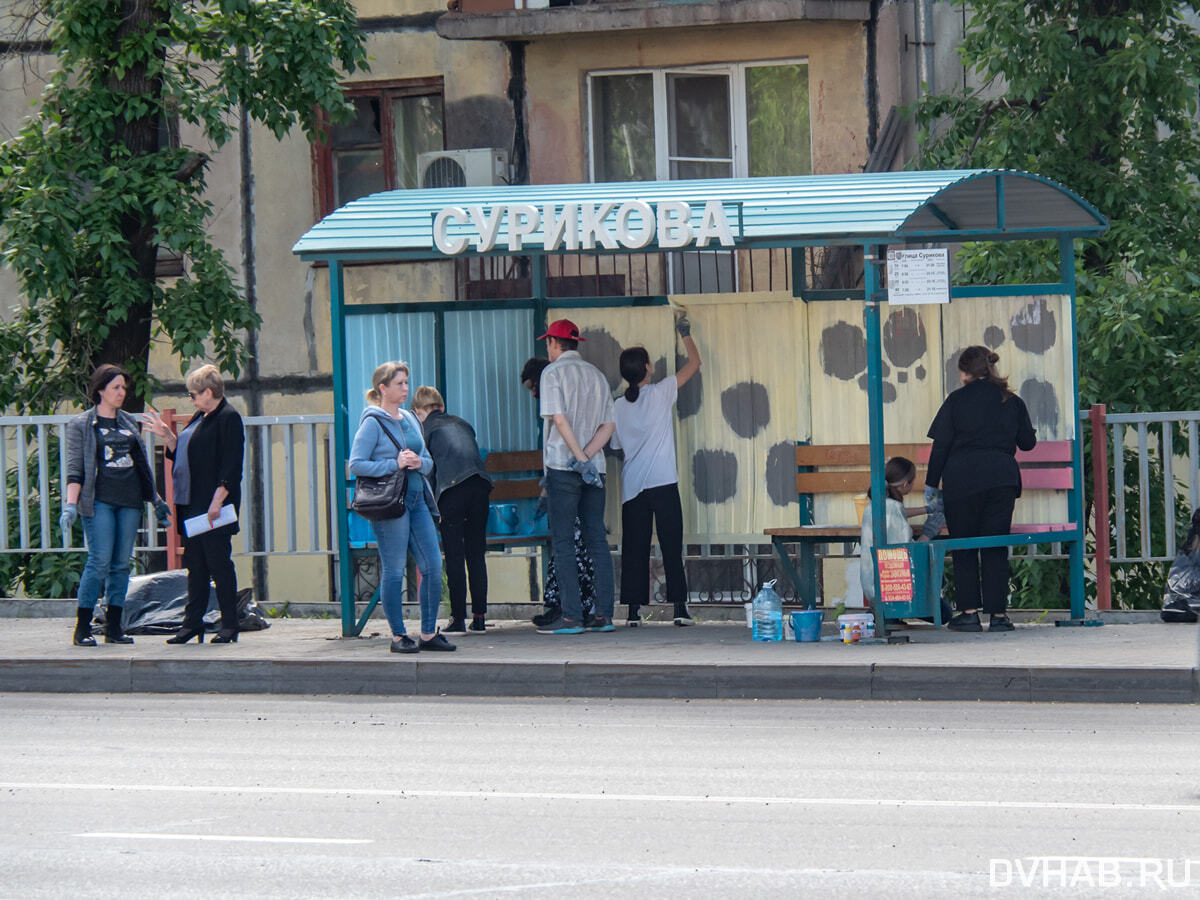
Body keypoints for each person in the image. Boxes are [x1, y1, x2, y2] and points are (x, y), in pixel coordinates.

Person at [925, 346, 1037, 633]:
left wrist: (931, 484)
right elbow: (1027, 443)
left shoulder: (956, 400)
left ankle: (969, 614)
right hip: (1001, 480)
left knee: (964, 545)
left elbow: (941, 447)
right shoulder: (1010, 400)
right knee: (994, 546)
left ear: (964, 372)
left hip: (961, 481)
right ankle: (999, 616)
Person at [61, 364, 170, 646]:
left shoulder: (127, 422)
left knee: (121, 565)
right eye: (116, 388)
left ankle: (114, 628)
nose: (122, 393)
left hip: (129, 501)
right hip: (99, 502)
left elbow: (142, 466)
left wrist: (156, 500)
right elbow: (75, 470)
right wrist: (70, 505)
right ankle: (82, 628)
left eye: (124, 387)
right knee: (99, 561)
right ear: (100, 391)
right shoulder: (81, 425)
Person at [347, 362, 452, 654]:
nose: (406, 389)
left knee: (432, 564)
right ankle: (398, 636)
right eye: (400, 384)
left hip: (418, 500)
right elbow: (356, 464)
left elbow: (427, 459)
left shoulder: (409, 417)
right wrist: (395, 464)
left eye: (406, 383)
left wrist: (420, 463)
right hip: (391, 504)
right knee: (393, 569)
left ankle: (429, 633)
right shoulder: (372, 422)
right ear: (383, 388)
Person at [143, 365, 245, 645]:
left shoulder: (228, 418)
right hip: (191, 502)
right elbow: (185, 455)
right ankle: (192, 624)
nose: (191, 400)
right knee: (196, 566)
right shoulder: (202, 416)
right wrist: (166, 435)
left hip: (212, 506)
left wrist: (217, 501)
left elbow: (231, 465)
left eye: (193, 394)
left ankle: (229, 624)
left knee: (219, 565)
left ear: (208, 392)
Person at [611, 314, 701, 626]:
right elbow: (695, 363)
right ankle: (679, 609)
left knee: (635, 548)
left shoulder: (618, 407)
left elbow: (617, 446)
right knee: (671, 545)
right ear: (647, 368)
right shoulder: (662, 392)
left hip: (633, 484)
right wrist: (684, 333)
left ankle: (633, 612)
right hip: (663, 481)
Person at [535, 319, 616, 635]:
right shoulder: (596, 375)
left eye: (548, 343)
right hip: (595, 470)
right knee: (597, 537)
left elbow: (559, 420)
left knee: (564, 541)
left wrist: (578, 459)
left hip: (562, 467)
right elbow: (608, 426)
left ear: (555, 343)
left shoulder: (552, 373)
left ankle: (571, 616)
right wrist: (589, 459)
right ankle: (603, 615)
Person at [521, 357, 597, 628]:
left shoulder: (558, 404)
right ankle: (562, 604)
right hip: (565, 478)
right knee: (566, 547)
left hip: (569, 476)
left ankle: (573, 609)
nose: (533, 394)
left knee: (573, 546)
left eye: (533, 387)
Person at [412, 385, 492, 634]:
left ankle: (458, 618)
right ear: (441, 406)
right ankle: (479, 617)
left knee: (455, 555)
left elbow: (428, 471)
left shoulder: (424, 430)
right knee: (476, 553)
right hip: (480, 486)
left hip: (452, 491)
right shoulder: (463, 423)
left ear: (418, 412)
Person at [858, 456, 952, 624]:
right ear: (904, 485)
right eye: (913, 481)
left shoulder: (876, 505)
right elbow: (907, 553)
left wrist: (927, 509)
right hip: (892, 589)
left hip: (872, 587)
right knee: (945, 614)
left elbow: (897, 513)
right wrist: (928, 533)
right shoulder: (893, 509)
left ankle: (884, 612)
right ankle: (892, 613)